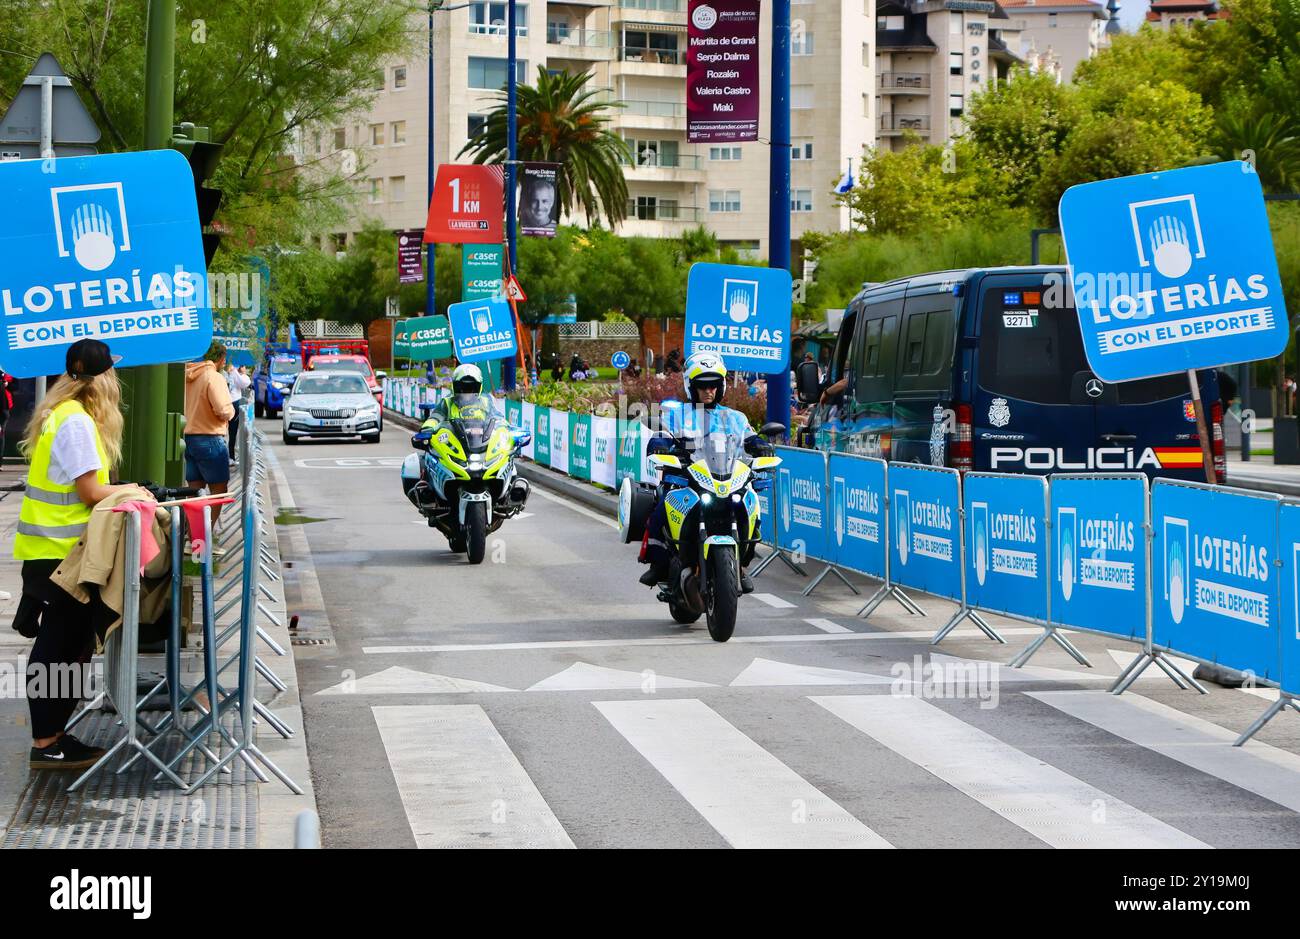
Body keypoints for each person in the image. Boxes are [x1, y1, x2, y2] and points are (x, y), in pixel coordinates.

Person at [16, 339, 140, 770]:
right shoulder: (76, 423)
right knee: (60, 647)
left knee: (66, 645)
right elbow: (89, 491)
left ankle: (52, 735)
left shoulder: (63, 415)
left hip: (51, 552)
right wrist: (132, 490)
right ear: (102, 379)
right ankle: (46, 741)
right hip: (61, 555)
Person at [638, 352, 772, 595]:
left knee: (750, 509)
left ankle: (740, 565)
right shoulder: (676, 414)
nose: (708, 391)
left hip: (725, 478)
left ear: (720, 387)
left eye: (713, 385)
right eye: (702, 386)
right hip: (687, 479)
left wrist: (760, 444)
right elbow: (662, 433)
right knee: (660, 510)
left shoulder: (734, 417)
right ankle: (658, 564)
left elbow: (750, 437)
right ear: (692, 387)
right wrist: (661, 443)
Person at [184, 341, 236, 525]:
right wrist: (232, 412)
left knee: (194, 492)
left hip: (189, 437)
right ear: (221, 359)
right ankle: (205, 538)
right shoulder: (213, 377)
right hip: (210, 437)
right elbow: (223, 410)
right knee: (219, 490)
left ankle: (192, 538)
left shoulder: (189, 375)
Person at [226, 362, 251, 460]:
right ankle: (228, 455)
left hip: (234, 403)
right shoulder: (225, 373)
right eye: (243, 365)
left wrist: (234, 371)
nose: (244, 368)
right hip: (225, 402)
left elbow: (244, 383)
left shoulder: (241, 376)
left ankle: (231, 456)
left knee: (233, 432)